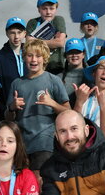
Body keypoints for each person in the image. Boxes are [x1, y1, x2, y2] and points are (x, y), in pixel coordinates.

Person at [6, 39, 70, 170]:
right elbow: (8, 118)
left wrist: (52, 103)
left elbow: (68, 112)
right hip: (21, 143)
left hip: (44, 142)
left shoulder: (54, 80)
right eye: (30, 55)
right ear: (24, 58)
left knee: (40, 181)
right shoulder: (16, 83)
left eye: (38, 56)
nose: (34, 59)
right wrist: (12, 107)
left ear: (45, 58)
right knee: (23, 184)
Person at [0, 17, 28, 117]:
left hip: (29, 116)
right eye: (12, 33)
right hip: (5, 115)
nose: (16, 36)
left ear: (25, 33)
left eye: (19, 32)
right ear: (7, 33)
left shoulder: (31, 56)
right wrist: (4, 110)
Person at [26, 0, 68, 74]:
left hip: (57, 68)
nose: (48, 12)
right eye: (44, 8)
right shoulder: (33, 22)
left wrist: (36, 41)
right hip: (37, 67)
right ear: (39, 9)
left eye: (52, 8)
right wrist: (53, 41)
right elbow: (28, 43)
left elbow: (60, 42)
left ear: (56, 8)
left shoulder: (58, 20)